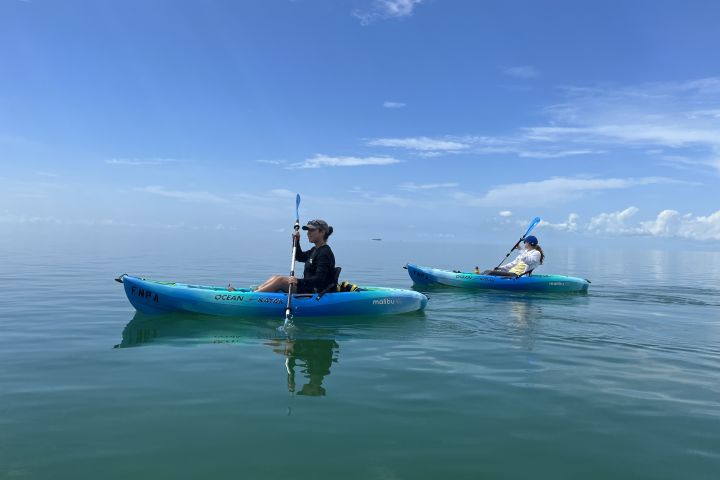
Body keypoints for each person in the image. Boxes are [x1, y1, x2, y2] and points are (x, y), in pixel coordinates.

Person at [255, 219, 336, 293]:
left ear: (322, 232)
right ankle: (256, 291)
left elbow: (319, 279)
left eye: (312, 230)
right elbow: (298, 256)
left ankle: (252, 297)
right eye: (308, 230)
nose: (308, 233)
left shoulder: (325, 253)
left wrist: (298, 281)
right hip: (307, 287)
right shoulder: (315, 250)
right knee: (275, 277)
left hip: (316, 291)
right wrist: (296, 241)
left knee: (280, 280)